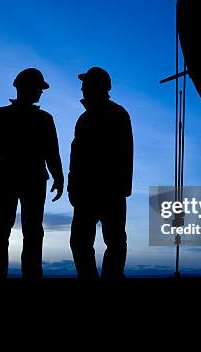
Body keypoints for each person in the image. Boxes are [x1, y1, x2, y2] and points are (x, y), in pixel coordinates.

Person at [0, 68, 63, 279]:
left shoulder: (42, 119)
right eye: (37, 87)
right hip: (13, 180)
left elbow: (52, 152)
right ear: (23, 87)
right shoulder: (3, 115)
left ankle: (25, 277)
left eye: (41, 88)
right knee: (3, 232)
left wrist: (58, 176)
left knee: (23, 232)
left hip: (23, 180)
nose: (40, 92)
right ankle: (1, 278)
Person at [68, 67, 133, 279]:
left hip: (106, 190)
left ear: (97, 87)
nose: (82, 88)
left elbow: (125, 153)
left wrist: (122, 188)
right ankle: (94, 280)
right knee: (82, 241)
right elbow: (76, 156)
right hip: (90, 191)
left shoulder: (115, 115)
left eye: (85, 85)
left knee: (111, 241)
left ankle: (108, 281)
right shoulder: (85, 118)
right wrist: (72, 185)